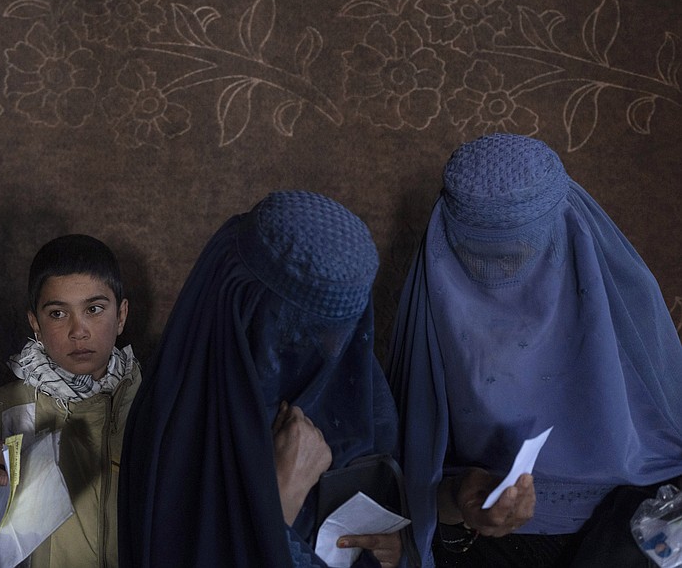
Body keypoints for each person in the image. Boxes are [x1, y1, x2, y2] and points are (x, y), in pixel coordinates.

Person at [388, 133, 682, 567]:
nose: (500, 281)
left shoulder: (625, 309)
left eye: (522, 255)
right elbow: (401, 489)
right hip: (474, 544)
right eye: (473, 260)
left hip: (631, 535)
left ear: (570, 232)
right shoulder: (428, 319)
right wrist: (460, 501)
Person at [120, 191, 406, 568]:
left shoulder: (358, 389)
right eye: (295, 329)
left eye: (340, 332)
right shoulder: (179, 422)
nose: (326, 346)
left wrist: (396, 553)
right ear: (243, 307)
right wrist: (281, 502)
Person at [0, 233, 141, 567]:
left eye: (93, 309)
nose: (78, 331)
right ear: (35, 322)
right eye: (58, 314)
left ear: (120, 316)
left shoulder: (155, 411)